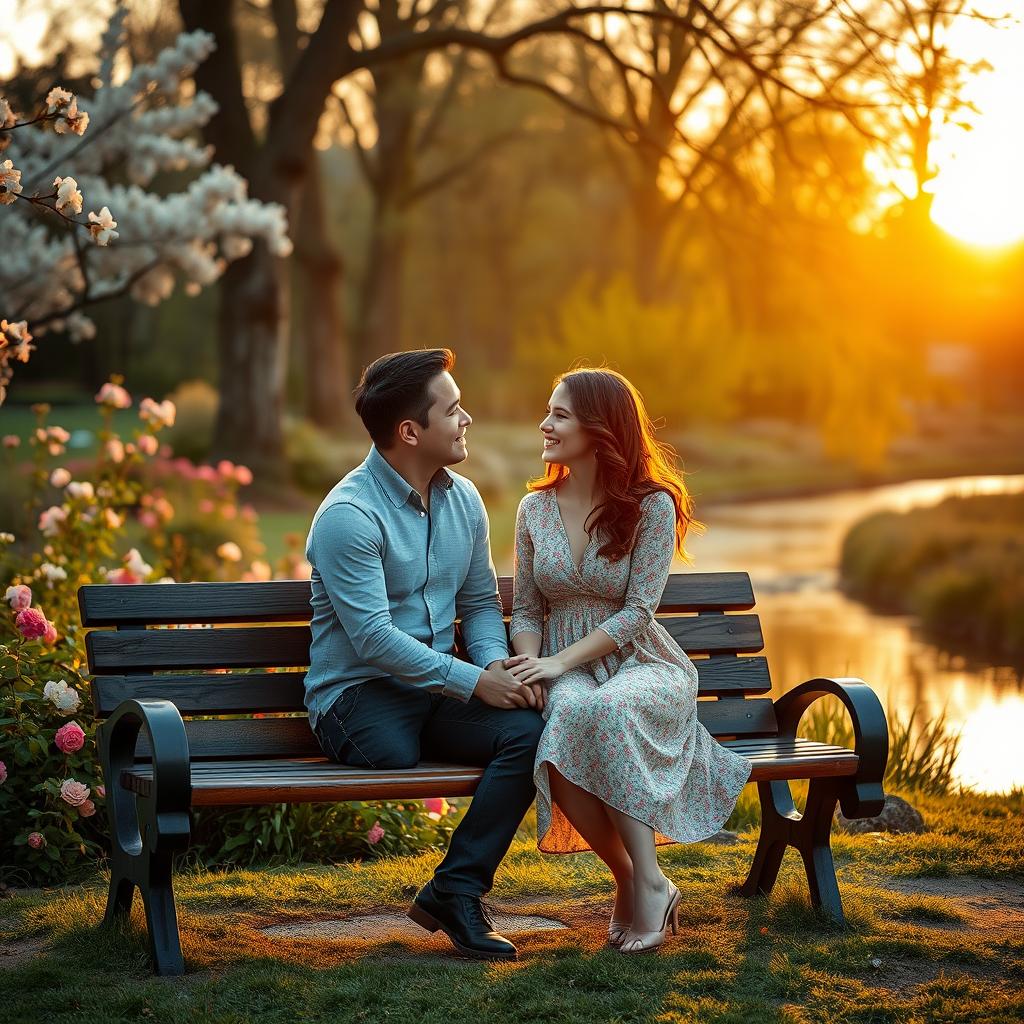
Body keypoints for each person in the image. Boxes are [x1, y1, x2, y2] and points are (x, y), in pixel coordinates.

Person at [304, 348, 545, 962]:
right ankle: (455, 890)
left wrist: (490, 665)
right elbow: (374, 641)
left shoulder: (464, 500)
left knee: (527, 729)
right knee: (392, 746)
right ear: (410, 431)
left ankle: (455, 891)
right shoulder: (348, 516)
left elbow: (482, 604)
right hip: (356, 696)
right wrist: (468, 683)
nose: (467, 419)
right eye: (454, 409)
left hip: (435, 690)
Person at [509, 367, 752, 954]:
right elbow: (526, 610)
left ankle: (648, 880)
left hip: (640, 663)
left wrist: (559, 663)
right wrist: (530, 667)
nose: (545, 424)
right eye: (548, 411)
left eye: (560, 414)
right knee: (561, 728)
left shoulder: (651, 506)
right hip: (561, 667)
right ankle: (634, 879)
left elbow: (639, 612)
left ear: (600, 427)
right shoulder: (533, 510)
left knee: (613, 709)